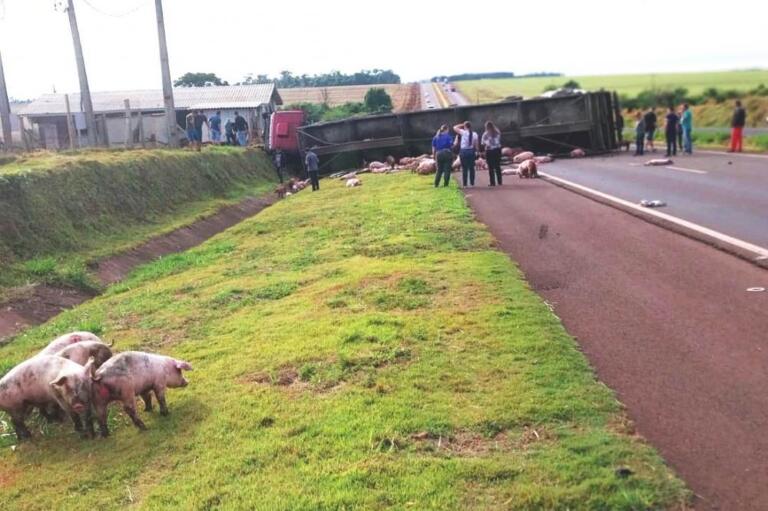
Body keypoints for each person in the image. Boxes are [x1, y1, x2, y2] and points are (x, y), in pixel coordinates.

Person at [453, 121, 479, 187]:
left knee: (464, 168)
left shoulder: (463, 132)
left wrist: (462, 125)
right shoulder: (475, 134)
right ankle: (472, 183)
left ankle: (465, 184)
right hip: (471, 151)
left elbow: (454, 127)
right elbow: (476, 144)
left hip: (464, 151)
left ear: (465, 127)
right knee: (471, 168)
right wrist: (477, 151)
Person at [481, 121, 503, 186]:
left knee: (490, 167)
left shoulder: (485, 134)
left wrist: (487, 144)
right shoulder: (497, 132)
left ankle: (492, 182)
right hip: (497, 150)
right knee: (497, 166)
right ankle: (500, 181)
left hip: (489, 151)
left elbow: (482, 143)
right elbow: (499, 140)